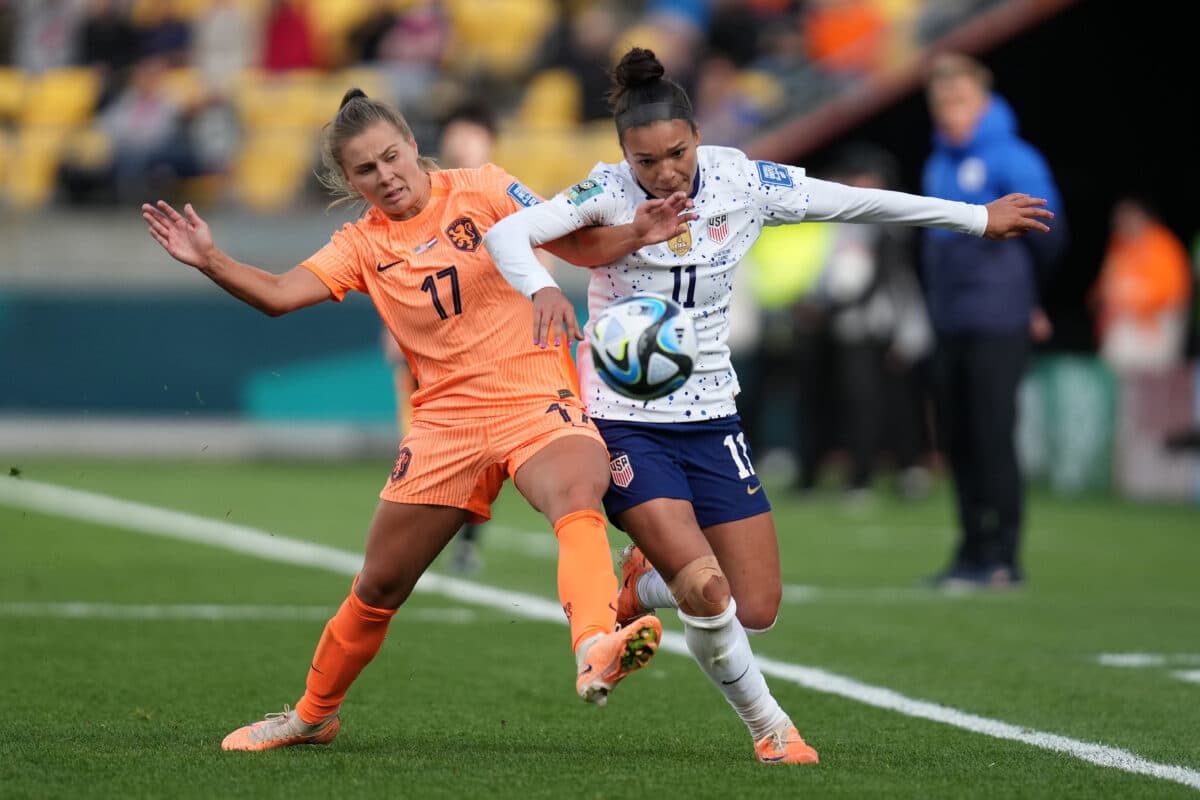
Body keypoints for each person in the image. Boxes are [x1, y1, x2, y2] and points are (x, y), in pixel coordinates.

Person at [483, 46, 1054, 765]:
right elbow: (507, 232)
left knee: (756, 606)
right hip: (626, 418)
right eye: (646, 160)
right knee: (707, 585)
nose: (664, 172)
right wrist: (540, 288)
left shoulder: (741, 179)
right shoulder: (604, 190)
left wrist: (974, 218)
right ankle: (772, 729)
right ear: (623, 153)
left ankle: (640, 581)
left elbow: (853, 201)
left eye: (677, 153)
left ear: (697, 135)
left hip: (715, 417)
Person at [141, 87, 698, 752]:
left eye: (392, 157)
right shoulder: (361, 244)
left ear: (413, 145)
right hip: (445, 428)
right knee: (379, 584)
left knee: (576, 493)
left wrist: (639, 230)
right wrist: (211, 259)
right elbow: (282, 295)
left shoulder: (486, 187)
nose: (386, 177)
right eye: (366, 170)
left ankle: (594, 647)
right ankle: (311, 716)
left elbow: (574, 245)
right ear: (348, 181)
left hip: (535, 400)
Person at [919, 52, 1068, 590]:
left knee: (992, 434)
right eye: (940, 102)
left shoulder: (1015, 157)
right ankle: (969, 550)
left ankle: (1003, 556)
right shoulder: (938, 162)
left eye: (958, 100)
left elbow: (1051, 233)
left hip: (999, 318)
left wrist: (1029, 298)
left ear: (982, 101)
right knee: (957, 438)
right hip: (950, 319)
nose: (948, 111)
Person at [1089, 195, 1192, 375]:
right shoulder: (1119, 245)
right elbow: (1105, 285)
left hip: (1153, 324)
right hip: (1123, 324)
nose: (1120, 226)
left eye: (1125, 220)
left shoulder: (1162, 245)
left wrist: (1130, 304)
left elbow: (1172, 294)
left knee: (1149, 376)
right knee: (1115, 367)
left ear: (1141, 218)